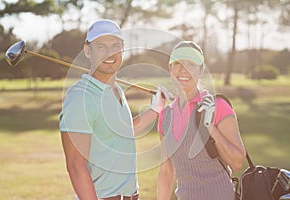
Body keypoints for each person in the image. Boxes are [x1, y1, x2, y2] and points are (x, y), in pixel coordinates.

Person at [59, 19, 167, 200]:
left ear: (123, 48)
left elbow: (122, 131)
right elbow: (76, 166)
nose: (110, 52)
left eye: (115, 45)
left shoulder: (115, 90)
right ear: (87, 50)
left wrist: (154, 110)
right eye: (101, 46)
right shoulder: (81, 97)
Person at [157, 41, 246, 200]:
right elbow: (166, 171)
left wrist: (209, 126)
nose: (183, 69)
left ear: (200, 70)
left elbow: (237, 162)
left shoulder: (218, 106)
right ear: (170, 69)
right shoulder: (165, 116)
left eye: (190, 63)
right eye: (177, 63)